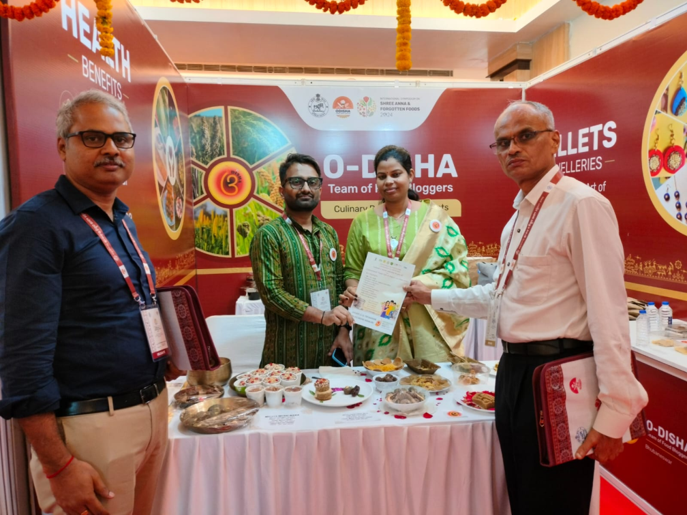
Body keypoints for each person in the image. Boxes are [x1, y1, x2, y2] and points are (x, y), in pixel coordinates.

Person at [405, 101, 648, 515]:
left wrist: (614, 414)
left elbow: (608, 315)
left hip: (560, 377)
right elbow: (499, 299)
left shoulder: (581, 205)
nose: (513, 148)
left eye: (525, 136)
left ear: (554, 141)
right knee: (524, 500)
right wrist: (430, 296)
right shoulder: (516, 219)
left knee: (556, 503)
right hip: (514, 375)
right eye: (502, 143)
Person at [0, 90, 175, 515]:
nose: (112, 149)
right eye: (94, 138)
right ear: (63, 146)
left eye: (122, 139)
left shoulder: (120, 218)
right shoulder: (37, 226)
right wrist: (58, 466)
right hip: (91, 429)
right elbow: (22, 357)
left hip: (151, 412)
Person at [340, 145, 470, 364]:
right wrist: (354, 289)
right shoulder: (362, 222)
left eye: (396, 174)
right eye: (382, 176)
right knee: (379, 379)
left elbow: (457, 269)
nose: (388, 181)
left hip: (424, 320)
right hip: (377, 322)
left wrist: (419, 287)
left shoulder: (436, 219)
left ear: (410, 175)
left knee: (428, 381)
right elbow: (353, 270)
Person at [250, 153, 354, 369]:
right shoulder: (269, 235)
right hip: (286, 356)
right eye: (296, 182)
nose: (306, 188)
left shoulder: (329, 233)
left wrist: (344, 331)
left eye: (312, 182)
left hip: (328, 351)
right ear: (281, 191)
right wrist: (322, 315)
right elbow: (272, 294)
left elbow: (338, 285)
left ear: (320, 189)